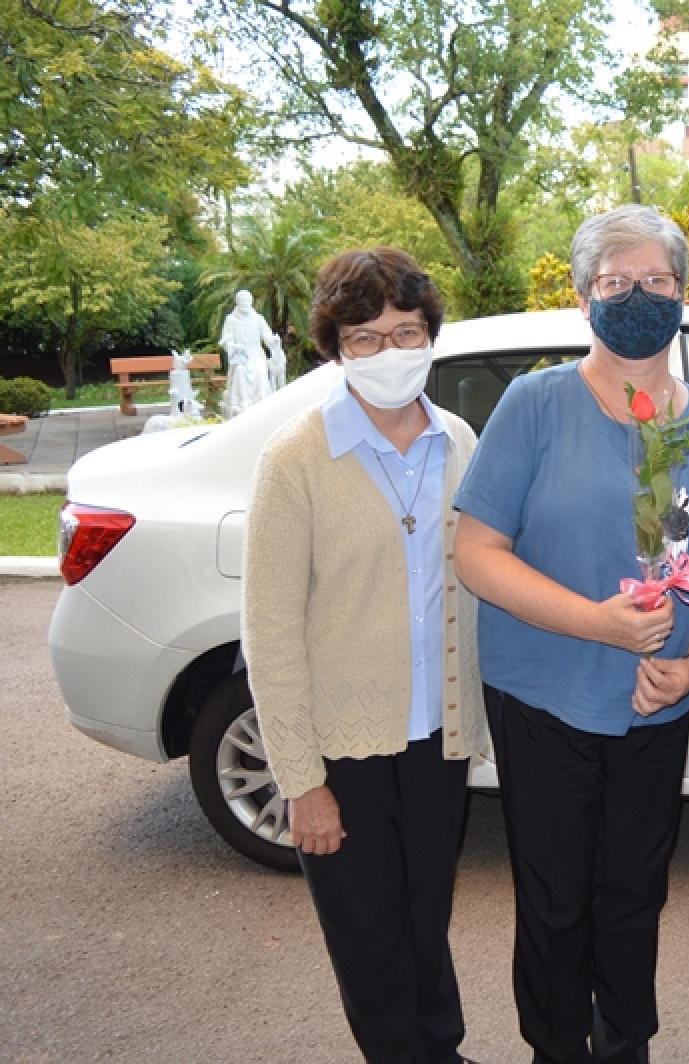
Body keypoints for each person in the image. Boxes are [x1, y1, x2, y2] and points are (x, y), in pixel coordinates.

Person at [452, 204, 689, 1064]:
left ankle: (626, 1043)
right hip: (544, 697)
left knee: (633, 895)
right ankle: (557, 1047)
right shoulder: (535, 405)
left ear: (683, 294)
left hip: (655, 710)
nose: (636, 297)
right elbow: (478, 551)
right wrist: (597, 622)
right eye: (616, 282)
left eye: (656, 282)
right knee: (553, 902)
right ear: (585, 296)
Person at [242, 247, 488, 1061]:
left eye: (406, 332)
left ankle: (439, 1051)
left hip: (436, 739)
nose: (390, 352)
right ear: (335, 346)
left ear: (430, 336)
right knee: (369, 936)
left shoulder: (457, 440)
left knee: (427, 919)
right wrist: (301, 784)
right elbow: (270, 635)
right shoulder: (295, 461)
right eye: (366, 337)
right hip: (341, 750)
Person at [220, 289, 278, 416]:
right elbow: (226, 340)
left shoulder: (258, 319)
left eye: (247, 301)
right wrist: (232, 346)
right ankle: (242, 402)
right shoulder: (231, 319)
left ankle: (261, 401)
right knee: (240, 371)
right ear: (237, 302)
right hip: (240, 356)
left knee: (261, 371)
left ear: (251, 302)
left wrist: (274, 341)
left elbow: (267, 337)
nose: (245, 303)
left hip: (256, 354)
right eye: (242, 301)